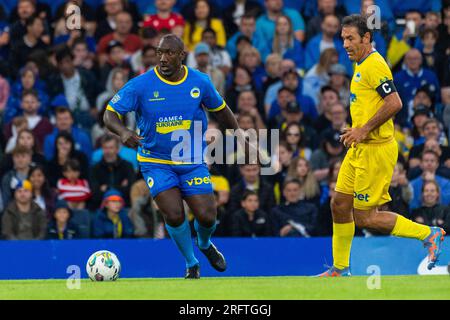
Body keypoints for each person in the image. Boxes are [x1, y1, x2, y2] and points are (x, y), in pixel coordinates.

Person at [103, 34, 257, 278]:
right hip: (156, 162)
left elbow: (222, 111)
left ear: (181, 56)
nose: (163, 58)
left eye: (169, 53)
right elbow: (110, 114)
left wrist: (241, 138)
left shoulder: (200, 82)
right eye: (159, 52)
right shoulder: (141, 85)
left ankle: (205, 244)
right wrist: (123, 131)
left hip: (191, 160)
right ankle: (191, 262)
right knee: (174, 214)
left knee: (207, 217)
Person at [319, 15, 445, 277]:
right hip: (360, 148)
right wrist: (356, 130)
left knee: (366, 217)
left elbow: (394, 102)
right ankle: (340, 269)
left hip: (376, 150)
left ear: (366, 37)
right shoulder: (361, 62)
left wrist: (364, 129)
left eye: (350, 38)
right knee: (339, 204)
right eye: (343, 38)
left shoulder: (375, 64)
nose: (345, 44)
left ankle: (429, 234)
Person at [89, 134, 136, 209]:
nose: (108, 151)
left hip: (125, 206)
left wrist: (106, 188)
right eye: (105, 148)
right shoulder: (95, 168)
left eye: (111, 148)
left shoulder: (127, 166)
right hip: (102, 207)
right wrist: (121, 187)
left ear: (117, 149)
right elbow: (95, 194)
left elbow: (130, 191)